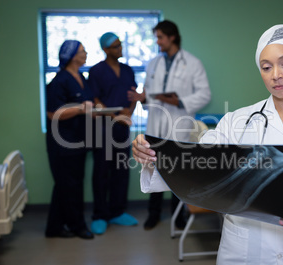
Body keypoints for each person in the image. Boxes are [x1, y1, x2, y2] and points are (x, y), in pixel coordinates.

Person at [132, 24, 283, 265]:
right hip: (241, 253)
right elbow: (198, 162)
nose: (275, 74)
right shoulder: (237, 122)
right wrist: (154, 156)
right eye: (266, 67)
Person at [128, 20, 211, 230]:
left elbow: (204, 94)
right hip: (155, 122)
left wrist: (179, 101)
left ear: (172, 37)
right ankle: (153, 214)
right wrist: (142, 98)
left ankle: (179, 216)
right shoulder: (153, 63)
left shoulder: (193, 63)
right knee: (151, 165)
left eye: (160, 37)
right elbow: (149, 95)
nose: (158, 42)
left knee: (178, 171)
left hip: (179, 122)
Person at [88, 32, 138, 235]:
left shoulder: (127, 70)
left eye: (120, 45)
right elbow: (95, 99)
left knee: (121, 169)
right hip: (102, 128)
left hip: (122, 128)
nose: (120, 49)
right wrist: (115, 114)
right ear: (106, 50)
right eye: (116, 46)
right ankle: (100, 215)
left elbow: (133, 95)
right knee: (101, 172)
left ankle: (118, 212)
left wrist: (129, 112)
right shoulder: (96, 71)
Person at [45, 40, 94, 239]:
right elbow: (52, 113)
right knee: (69, 185)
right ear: (72, 55)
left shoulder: (81, 77)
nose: (86, 53)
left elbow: (87, 104)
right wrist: (81, 109)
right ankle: (77, 226)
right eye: (83, 51)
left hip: (78, 140)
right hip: (63, 143)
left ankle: (54, 228)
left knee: (67, 185)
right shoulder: (60, 81)